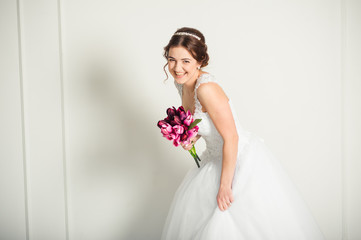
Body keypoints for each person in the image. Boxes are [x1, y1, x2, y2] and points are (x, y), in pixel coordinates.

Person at [160, 27, 326, 240]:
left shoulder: (206, 88)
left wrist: (225, 187)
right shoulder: (181, 84)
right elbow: (204, 121)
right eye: (172, 59)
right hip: (213, 160)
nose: (177, 67)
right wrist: (191, 136)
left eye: (186, 61)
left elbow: (231, 137)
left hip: (236, 158)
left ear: (199, 62)